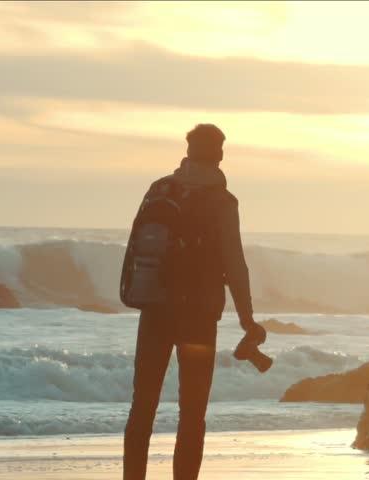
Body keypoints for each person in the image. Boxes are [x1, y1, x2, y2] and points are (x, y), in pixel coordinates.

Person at [123, 124, 265, 480]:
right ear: (218, 153)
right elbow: (234, 263)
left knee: (142, 407)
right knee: (192, 412)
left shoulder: (159, 190)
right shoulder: (222, 201)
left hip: (154, 312)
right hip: (198, 318)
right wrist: (247, 320)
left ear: (187, 150)